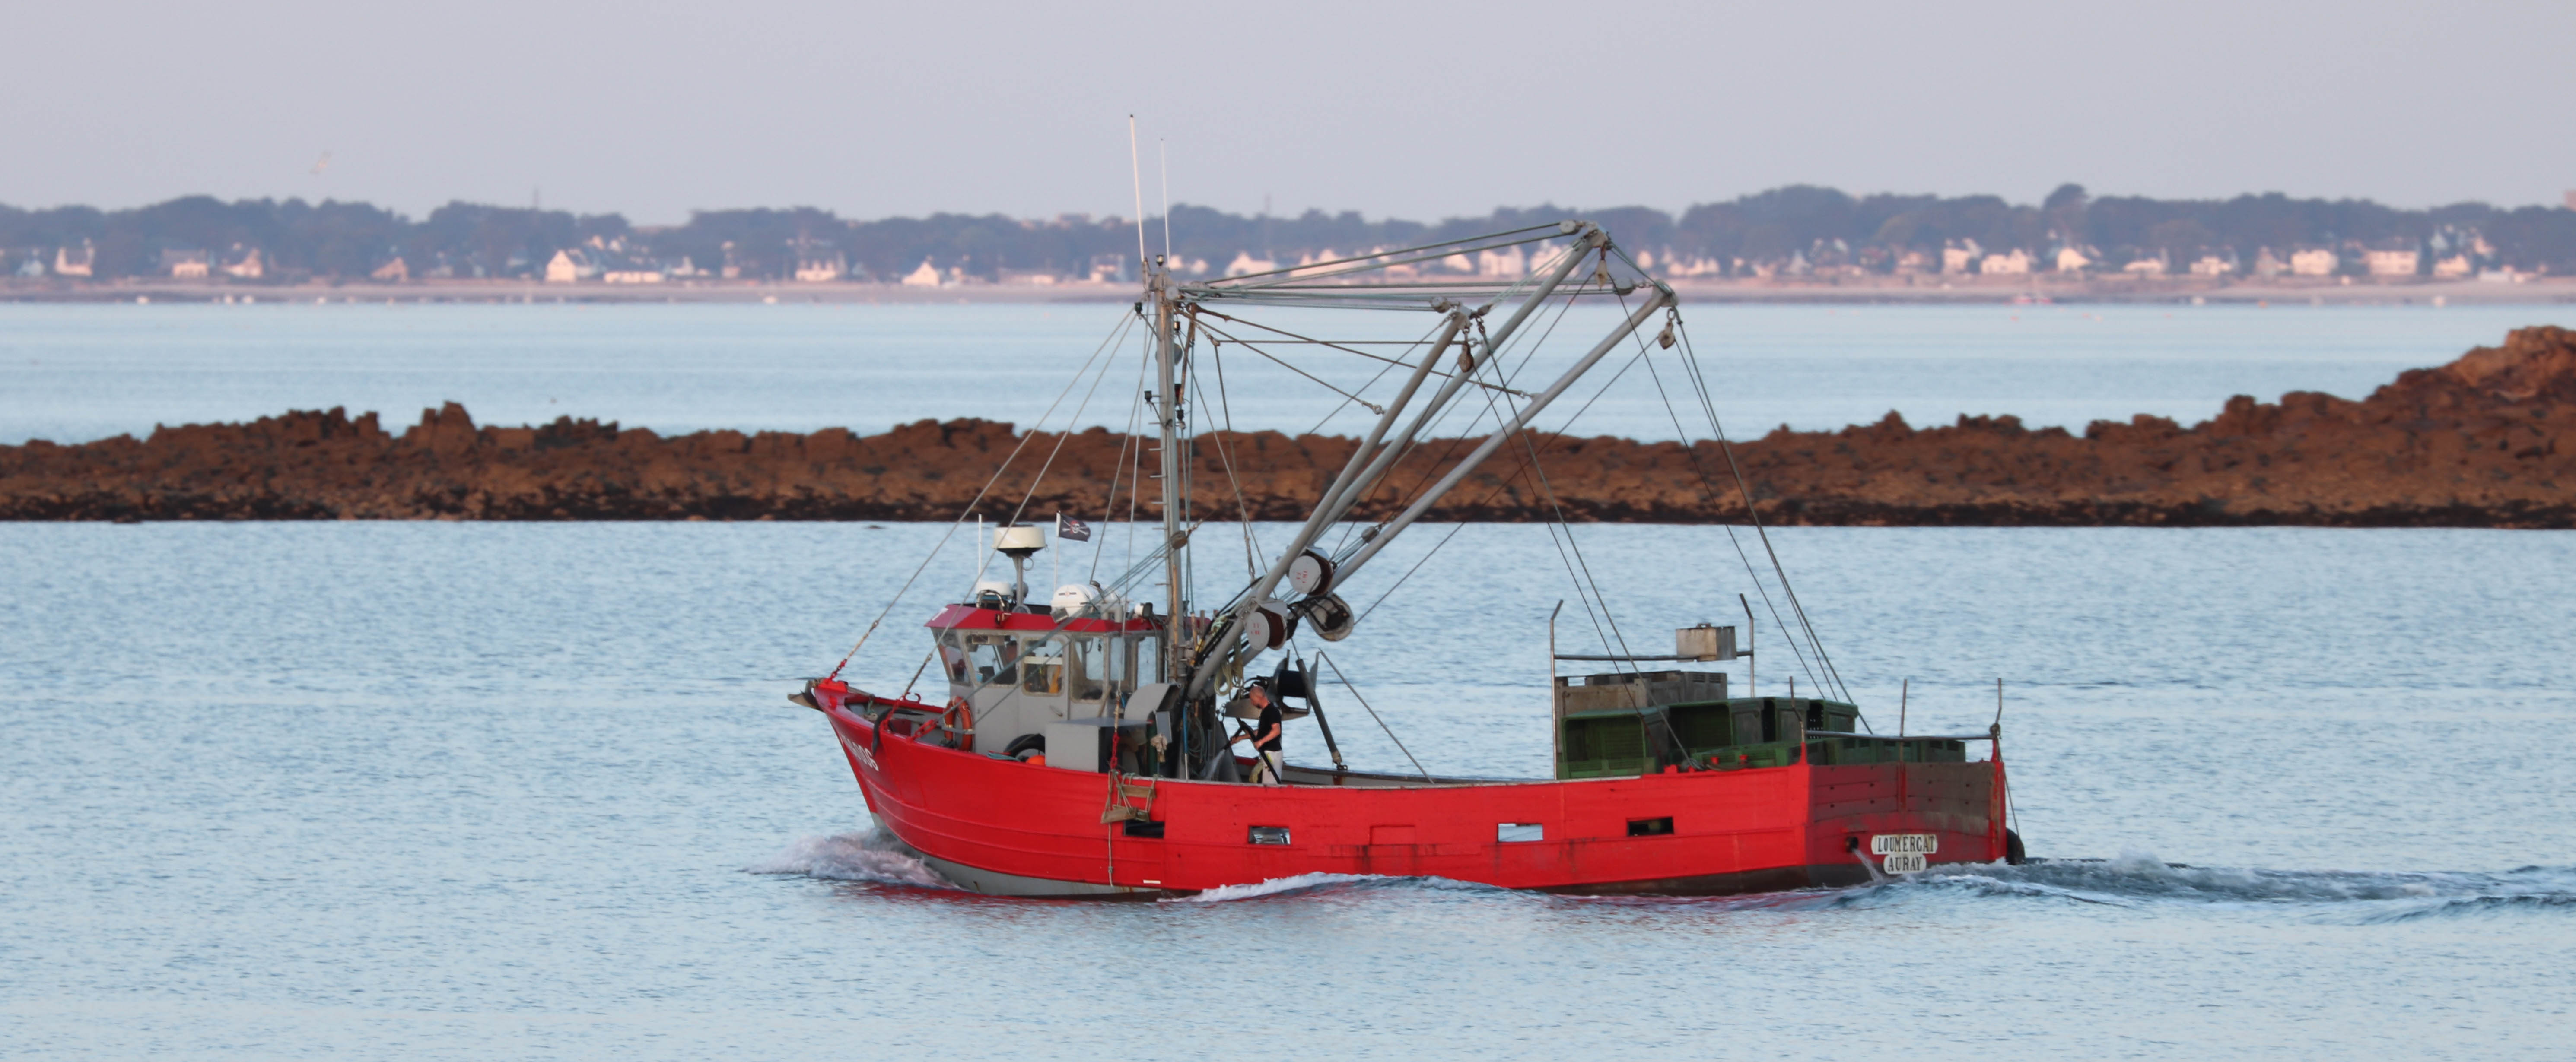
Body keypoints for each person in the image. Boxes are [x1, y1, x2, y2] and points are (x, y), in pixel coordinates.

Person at [1229, 680, 1286, 785]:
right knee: (1256, 778)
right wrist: (1239, 739)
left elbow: (1277, 731)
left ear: (1257, 698)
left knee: (1271, 786)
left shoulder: (1272, 711)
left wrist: (1261, 742)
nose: (1252, 703)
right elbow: (1260, 732)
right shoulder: (1265, 712)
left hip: (1273, 754)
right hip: (1267, 754)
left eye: (1251, 700)